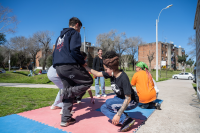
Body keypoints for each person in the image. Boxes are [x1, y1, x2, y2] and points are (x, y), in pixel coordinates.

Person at [53, 17, 93, 127]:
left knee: (69, 88)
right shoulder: (74, 33)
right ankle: (66, 92)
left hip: (59, 67)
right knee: (88, 81)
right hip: (69, 65)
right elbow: (74, 50)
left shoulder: (59, 37)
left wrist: (56, 66)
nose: (79, 30)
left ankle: (65, 119)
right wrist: (82, 61)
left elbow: (54, 53)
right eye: (79, 28)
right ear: (77, 25)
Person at [85, 51, 138, 132]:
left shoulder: (123, 78)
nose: (105, 71)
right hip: (121, 98)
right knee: (103, 107)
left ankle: (126, 120)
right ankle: (124, 117)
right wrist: (84, 67)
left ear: (112, 68)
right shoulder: (111, 74)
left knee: (109, 102)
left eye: (106, 69)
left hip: (132, 101)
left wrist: (118, 114)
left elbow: (128, 98)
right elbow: (97, 73)